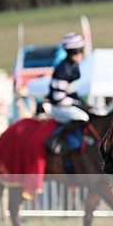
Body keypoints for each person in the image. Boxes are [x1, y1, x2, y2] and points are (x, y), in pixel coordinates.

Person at [44, 32, 90, 164]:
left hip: (67, 104)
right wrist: (77, 103)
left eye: (80, 51)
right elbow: (58, 98)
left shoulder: (73, 66)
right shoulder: (63, 69)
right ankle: (55, 138)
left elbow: (72, 93)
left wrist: (80, 103)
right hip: (57, 107)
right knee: (83, 117)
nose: (79, 54)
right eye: (75, 52)